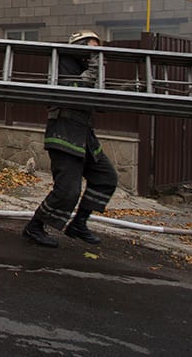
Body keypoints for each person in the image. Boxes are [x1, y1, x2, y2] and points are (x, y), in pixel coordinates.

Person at [22, 30, 119, 248]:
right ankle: (34, 227)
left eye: (98, 50)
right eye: (92, 48)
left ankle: (79, 224)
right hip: (64, 135)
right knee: (67, 190)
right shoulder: (63, 62)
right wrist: (94, 69)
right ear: (80, 46)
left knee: (106, 178)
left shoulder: (88, 69)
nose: (96, 54)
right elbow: (75, 90)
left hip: (85, 138)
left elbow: (97, 99)